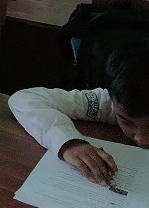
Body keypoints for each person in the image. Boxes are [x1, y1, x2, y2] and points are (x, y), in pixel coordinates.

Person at [9, 38, 149, 186]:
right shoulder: (108, 104)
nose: (142, 140)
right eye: (126, 121)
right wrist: (69, 142)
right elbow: (26, 99)